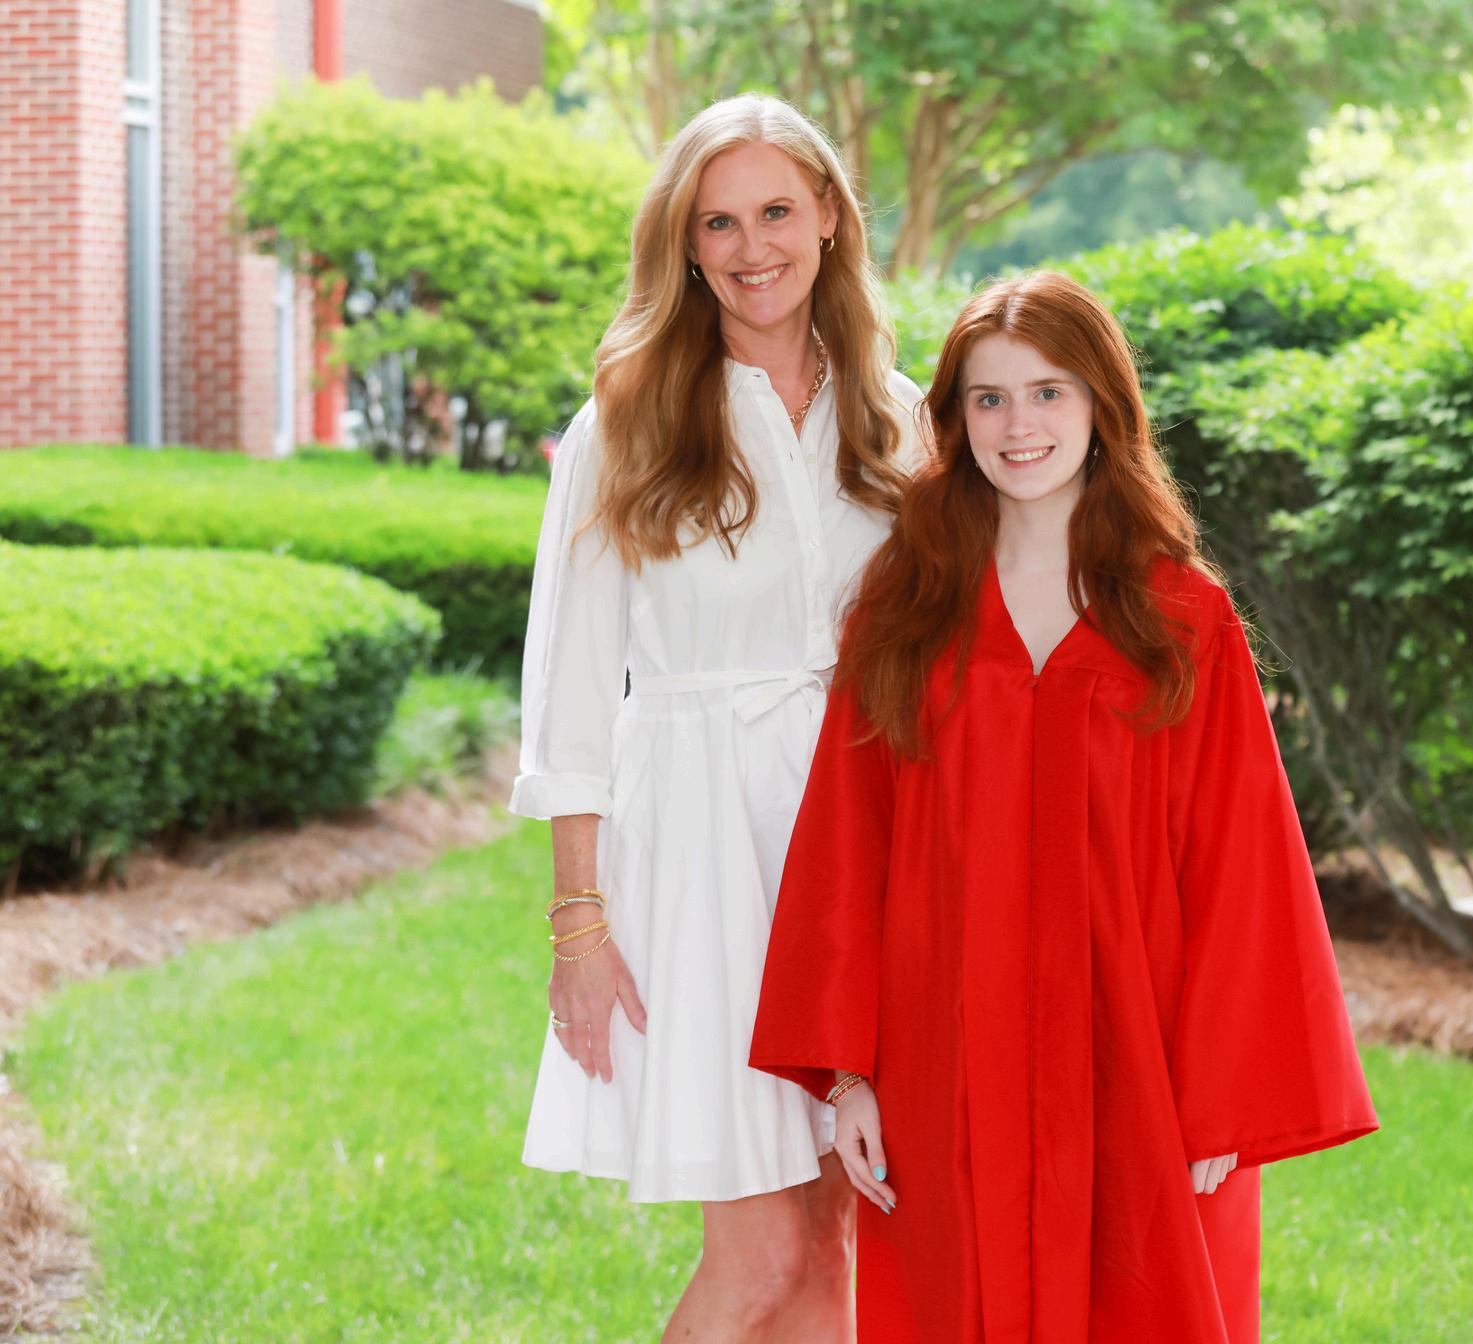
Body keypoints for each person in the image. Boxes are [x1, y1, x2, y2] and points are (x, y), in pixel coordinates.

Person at [748, 271, 1377, 1344]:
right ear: (955, 421)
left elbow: (1244, 865)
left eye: (1048, 392)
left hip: (1141, 1060)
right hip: (949, 1058)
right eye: (989, 398)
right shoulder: (907, 611)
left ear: (1101, 405)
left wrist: (1225, 1095)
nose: (1019, 426)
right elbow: (848, 846)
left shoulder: (1182, 618)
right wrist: (851, 1076)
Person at [511, 93, 922, 1343]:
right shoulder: (627, 421)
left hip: (855, 847)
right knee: (759, 1254)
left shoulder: (897, 415)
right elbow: (571, 691)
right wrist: (579, 925)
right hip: (701, 857)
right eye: (719, 223)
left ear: (831, 217)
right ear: (685, 246)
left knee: (834, 1241)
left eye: (777, 211)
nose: (753, 248)